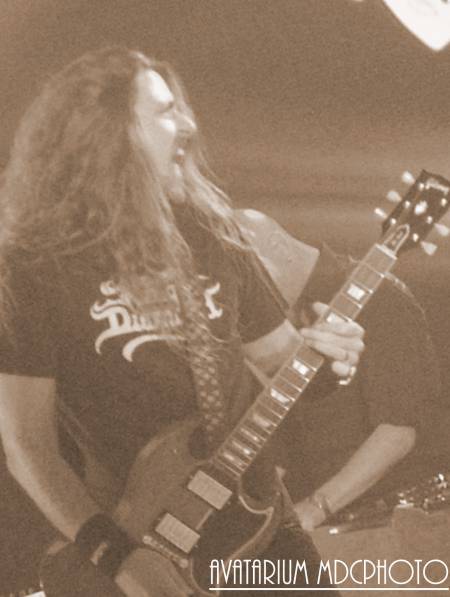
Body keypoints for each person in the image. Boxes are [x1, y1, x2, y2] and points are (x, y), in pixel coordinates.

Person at [0, 47, 365, 597]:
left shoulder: (211, 232)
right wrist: (119, 558)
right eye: (166, 110)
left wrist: (333, 361)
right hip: (130, 538)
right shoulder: (33, 267)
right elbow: (28, 445)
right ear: (110, 133)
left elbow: (281, 363)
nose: (189, 126)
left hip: (260, 520)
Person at [237, 209, 448, 533]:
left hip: (400, 521)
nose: (238, 294)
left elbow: (398, 431)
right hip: (329, 527)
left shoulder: (380, 296)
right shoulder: (272, 327)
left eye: (242, 278)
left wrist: (313, 509)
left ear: (276, 249)